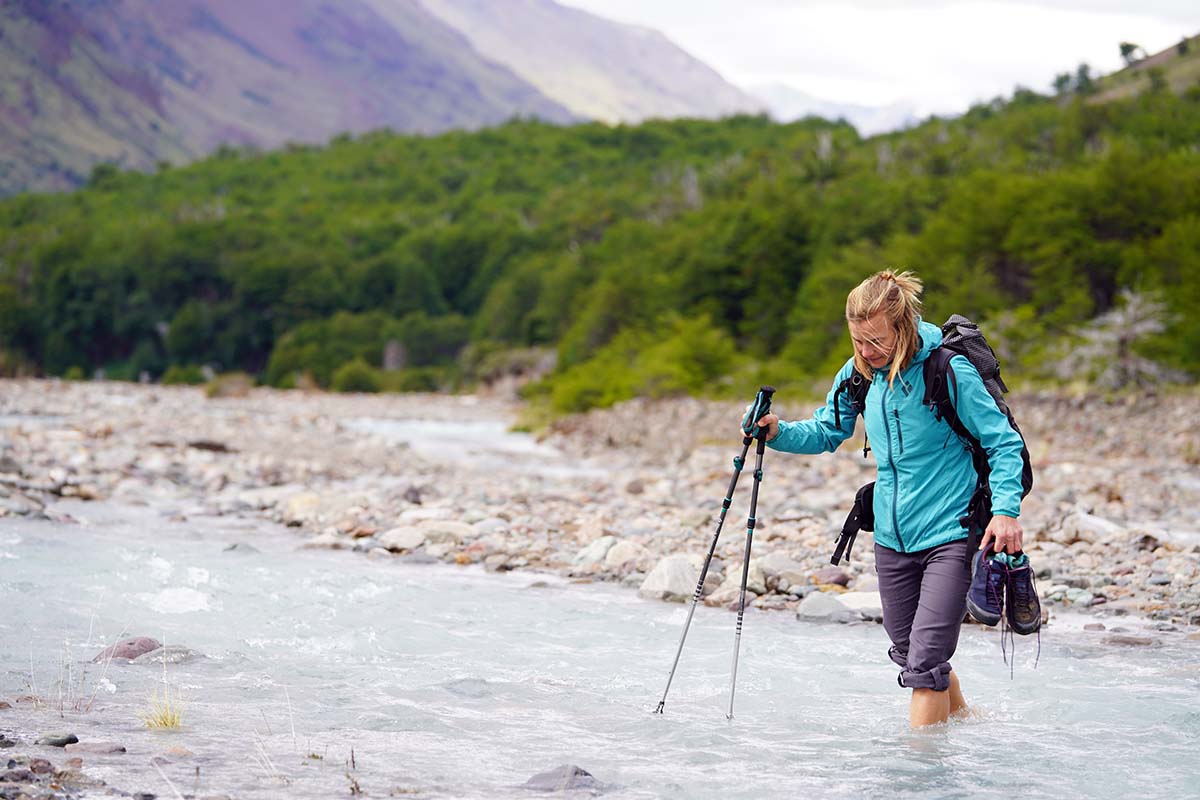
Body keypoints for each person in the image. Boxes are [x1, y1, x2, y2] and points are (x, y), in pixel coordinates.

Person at [749, 270, 1029, 727]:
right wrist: (776, 431)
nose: (865, 352)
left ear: (903, 328)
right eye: (857, 340)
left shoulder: (947, 370)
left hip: (951, 535)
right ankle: (970, 726)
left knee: (922, 668)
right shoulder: (859, 373)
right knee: (910, 655)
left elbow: (1003, 444)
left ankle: (918, 777)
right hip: (891, 538)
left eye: (875, 341)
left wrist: (1004, 512)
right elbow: (826, 429)